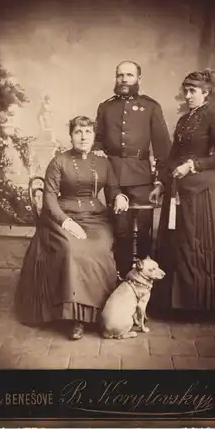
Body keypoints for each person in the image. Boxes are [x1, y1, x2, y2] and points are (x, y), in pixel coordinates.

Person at [15, 116, 129, 340]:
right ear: (71, 135)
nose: (83, 136)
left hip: (96, 219)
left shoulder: (103, 162)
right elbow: (49, 198)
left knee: (99, 248)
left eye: (88, 131)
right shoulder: (59, 161)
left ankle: (100, 314)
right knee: (72, 249)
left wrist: (120, 197)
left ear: (94, 135)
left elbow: (113, 189)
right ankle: (75, 318)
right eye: (78, 132)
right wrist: (66, 222)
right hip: (62, 217)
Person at [149, 68, 215, 314]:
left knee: (198, 243)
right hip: (180, 189)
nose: (188, 96)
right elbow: (172, 157)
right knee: (181, 243)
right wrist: (160, 183)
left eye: (193, 91)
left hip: (205, 192)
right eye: (186, 91)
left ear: (205, 92)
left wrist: (193, 165)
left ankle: (203, 304)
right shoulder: (183, 120)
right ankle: (178, 303)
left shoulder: (214, 117)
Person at [93, 60, 171, 276]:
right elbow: (97, 140)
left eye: (129, 75)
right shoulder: (105, 107)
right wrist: (98, 149)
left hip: (142, 178)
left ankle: (143, 281)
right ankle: (121, 278)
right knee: (120, 230)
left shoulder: (150, 107)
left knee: (145, 233)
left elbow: (163, 148)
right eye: (120, 75)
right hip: (114, 178)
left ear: (138, 79)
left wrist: (160, 181)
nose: (124, 79)